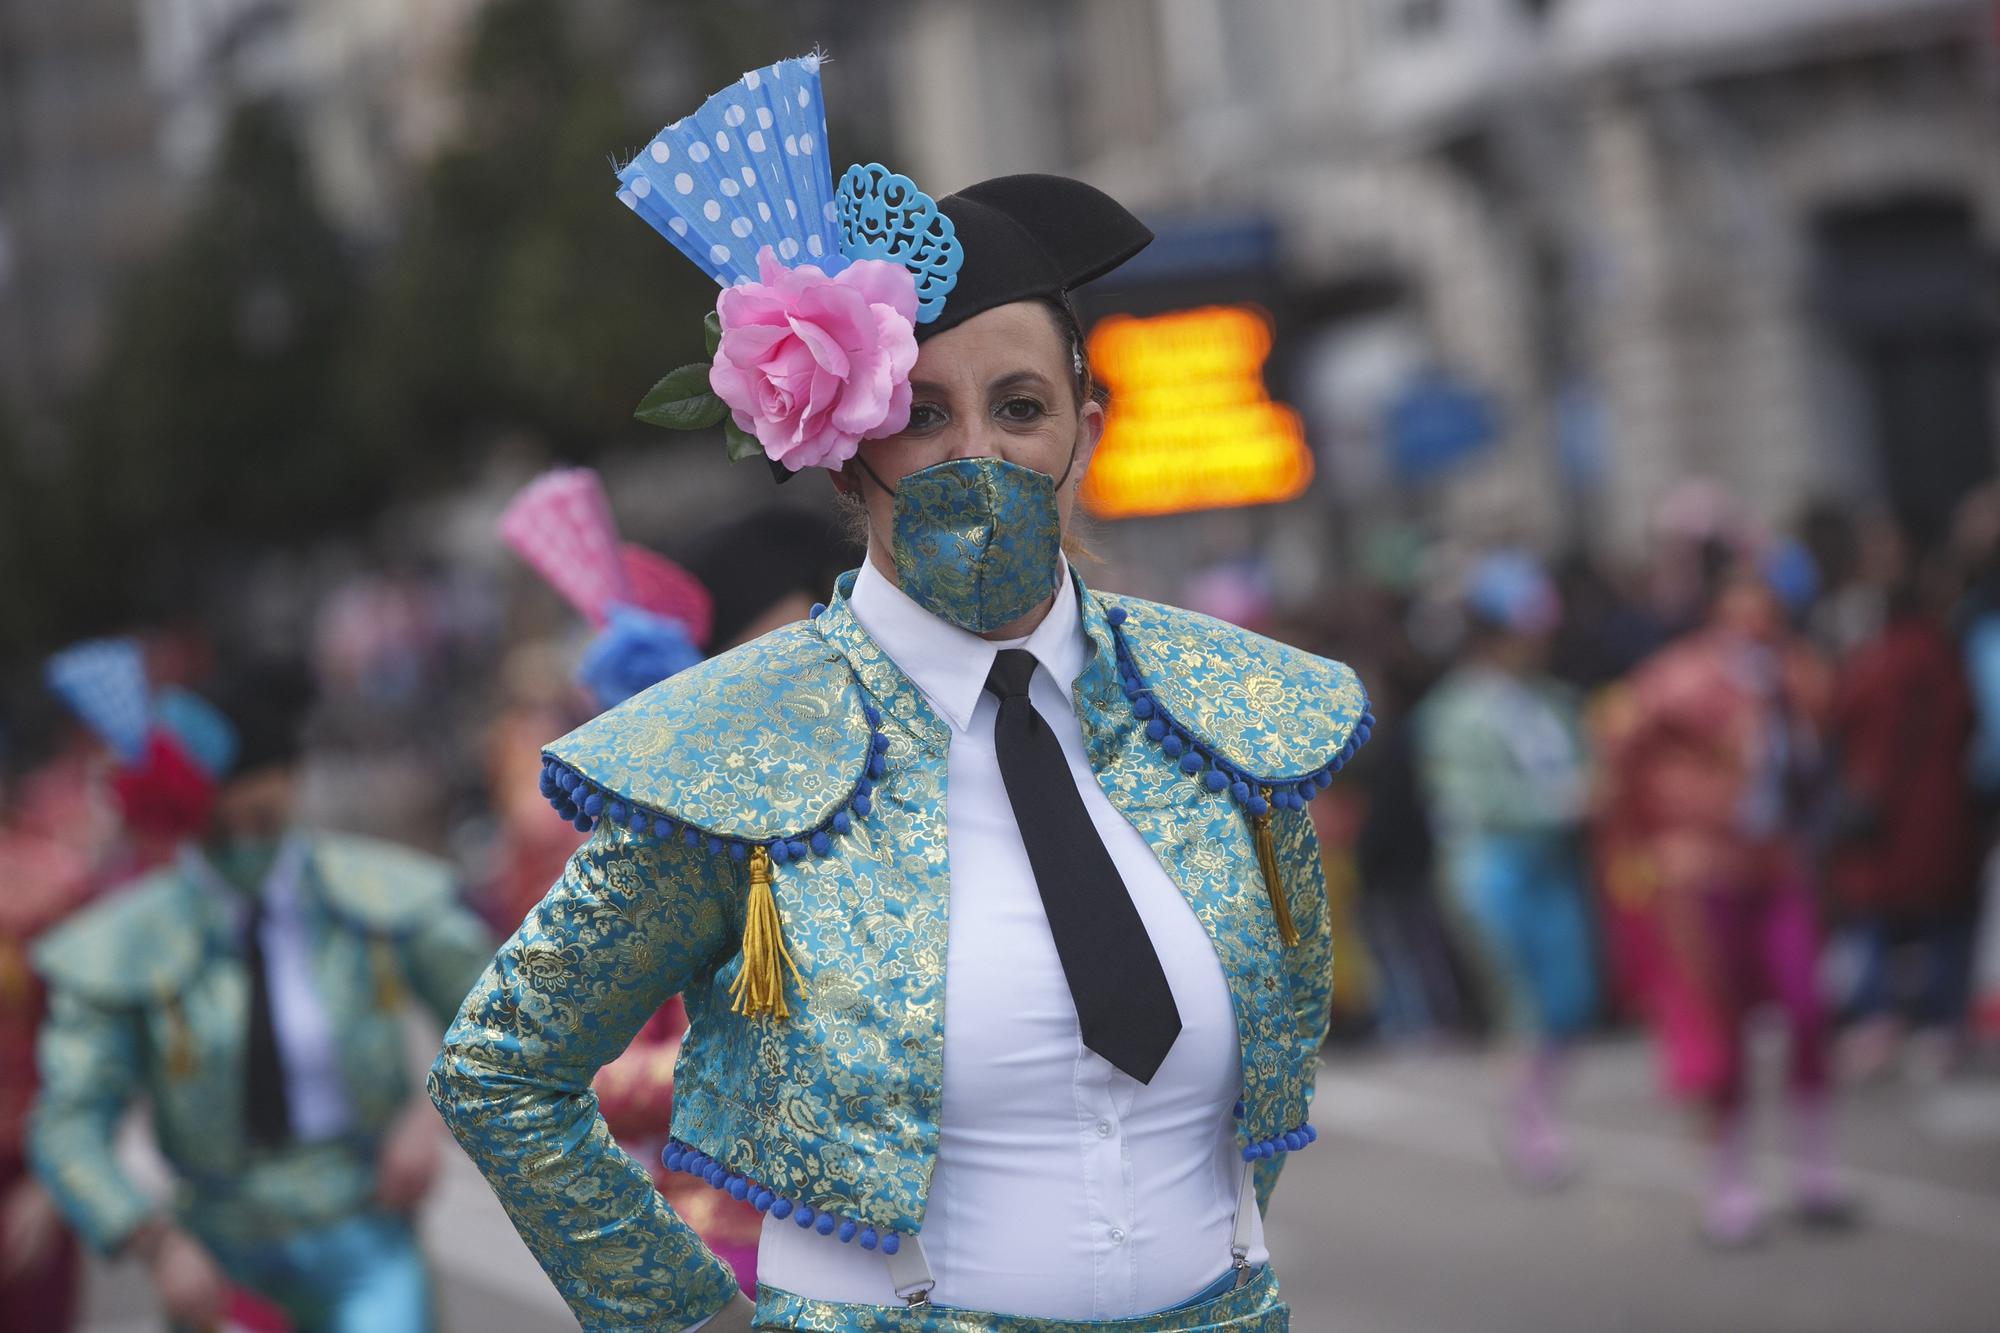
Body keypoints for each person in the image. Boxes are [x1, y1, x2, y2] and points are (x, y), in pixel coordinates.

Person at [430, 52, 1371, 1332]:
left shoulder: (1226, 714)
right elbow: (501, 1069)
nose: (974, 454)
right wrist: (690, 1318)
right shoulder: (739, 755)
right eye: (920, 412)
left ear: (1084, 430)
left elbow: (1272, 1052)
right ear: (838, 454)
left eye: (1020, 405)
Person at [29, 657, 495, 1332]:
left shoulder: (374, 895)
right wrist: (151, 1239)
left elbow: (503, 1015)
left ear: (295, 790)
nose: (245, 846)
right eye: (220, 832)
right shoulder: (132, 941)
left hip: (365, 1226)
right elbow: (69, 1119)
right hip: (214, 1255)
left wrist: (429, 1120)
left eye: (264, 820)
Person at [1603, 553, 1850, 1246]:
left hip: (1777, 866)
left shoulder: (1799, 673)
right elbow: (1621, 750)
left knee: (1807, 1007)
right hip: (1702, 871)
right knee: (1718, 1028)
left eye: (1767, 607)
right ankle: (1729, 1184)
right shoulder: (1677, 676)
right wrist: (1648, 839)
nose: (1755, 621)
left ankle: (1815, 1169)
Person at [1415, 552, 1598, 1189]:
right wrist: (1563, 802)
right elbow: (1469, 803)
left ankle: (1539, 1112)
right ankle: (1531, 1126)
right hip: (1491, 871)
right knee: (1520, 1005)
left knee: (1569, 998)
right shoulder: (1453, 713)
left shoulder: (1552, 701)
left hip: (1551, 866)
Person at [1826, 578, 1980, 1078]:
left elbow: (1843, 713)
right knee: (1940, 923)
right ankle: (1941, 1025)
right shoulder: (1944, 656)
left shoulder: (1879, 662)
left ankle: (1879, 1020)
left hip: (1884, 817)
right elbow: (1968, 718)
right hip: (1943, 815)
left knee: (1875, 922)